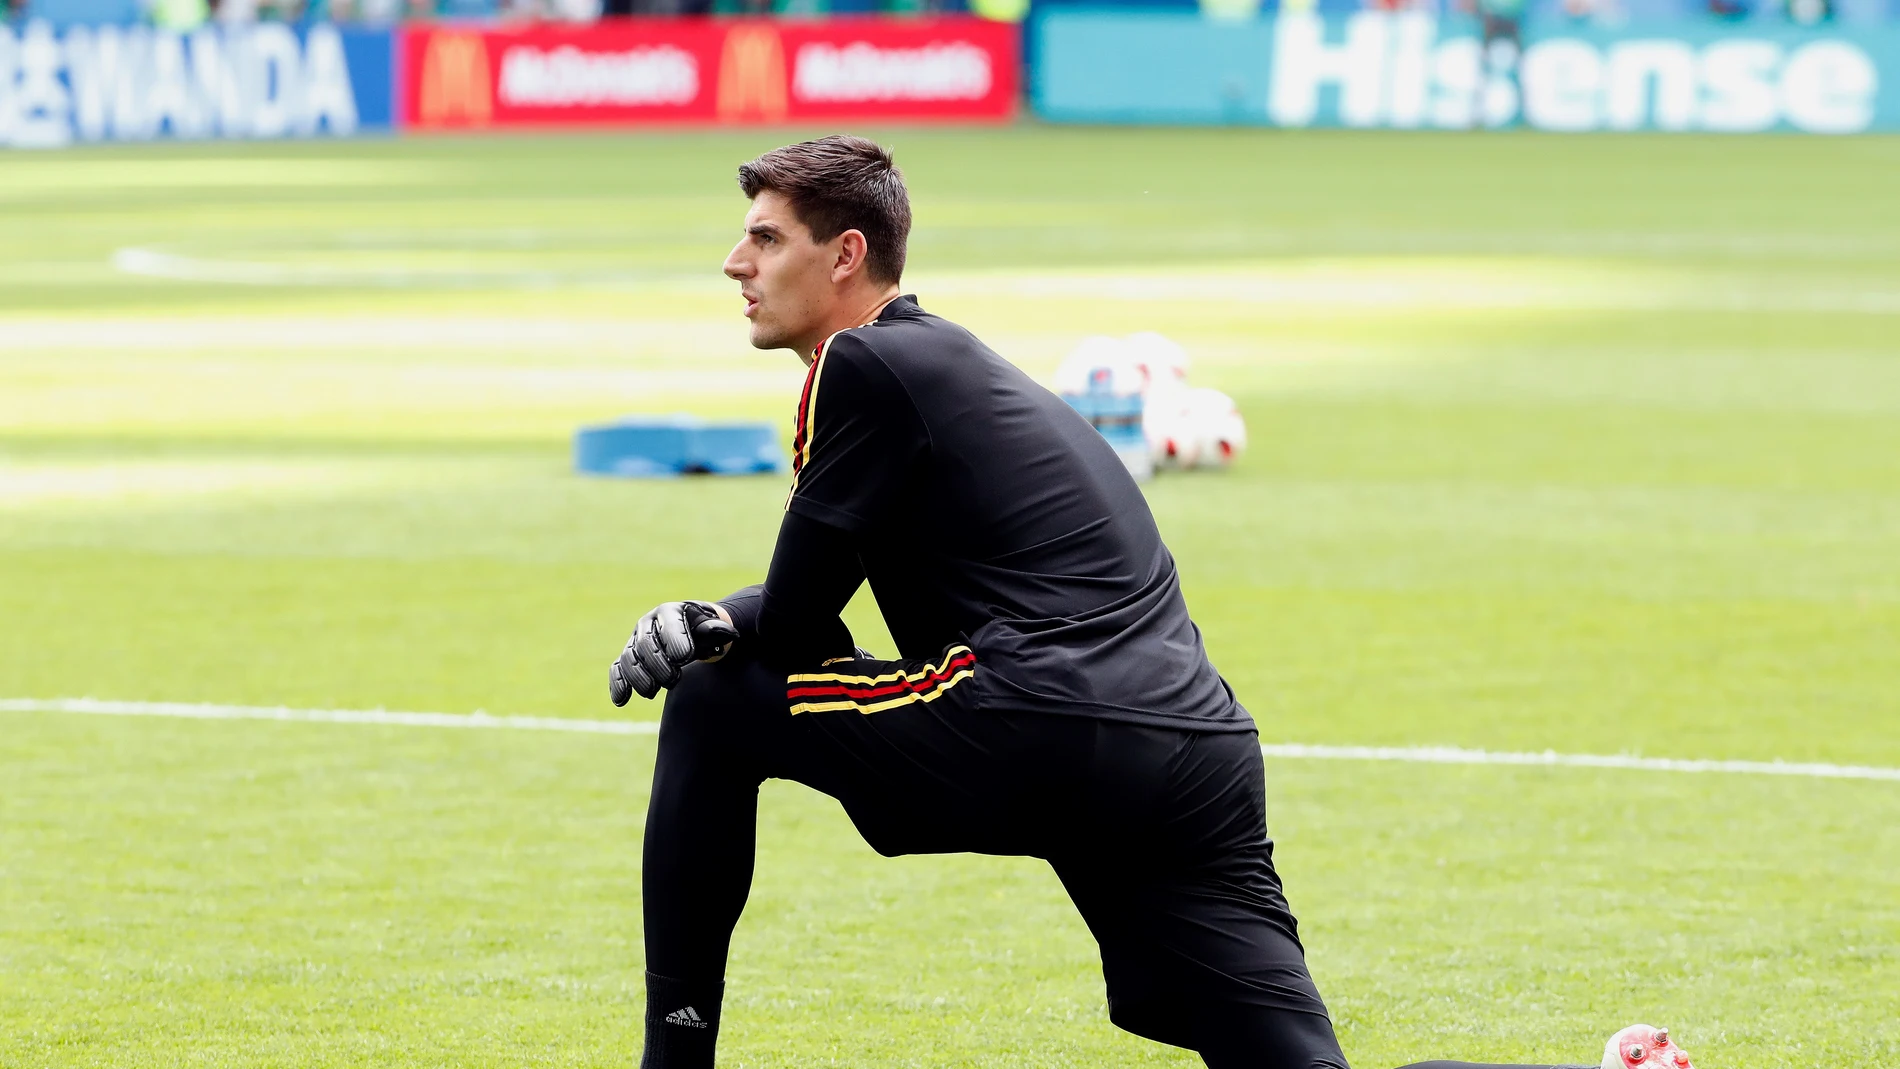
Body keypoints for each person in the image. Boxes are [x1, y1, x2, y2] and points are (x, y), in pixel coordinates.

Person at [610, 135, 1683, 1069]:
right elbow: (821, 627)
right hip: (1196, 749)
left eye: (765, 237)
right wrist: (730, 616)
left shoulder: (863, 364)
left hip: (1043, 717)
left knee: (715, 702)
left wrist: (714, 622)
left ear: (845, 255)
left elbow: (797, 632)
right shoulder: (954, 369)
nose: (734, 261)